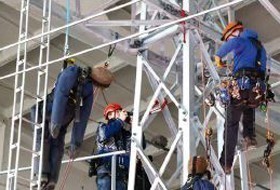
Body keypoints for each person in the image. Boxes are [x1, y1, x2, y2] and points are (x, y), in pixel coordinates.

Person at [30, 59, 114, 190]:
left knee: (43, 137)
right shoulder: (86, 87)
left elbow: (61, 94)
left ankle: (42, 174)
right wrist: (76, 142)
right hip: (63, 117)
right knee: (57, 144)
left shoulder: (72, 72)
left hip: (51, 113)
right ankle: (51, 178)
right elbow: (83, 117)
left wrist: (55, 122)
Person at [214, 21, 267, 174]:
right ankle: (250, 137)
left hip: (240, 88)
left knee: (231, 126)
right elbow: (262, 69)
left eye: (229, 37)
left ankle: (226, 163)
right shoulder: (260, 48)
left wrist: (218, 57)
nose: (229, 41)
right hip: (255, 91)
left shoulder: (240, 40)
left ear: (236, 32)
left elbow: (228, 47)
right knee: (249, 108)